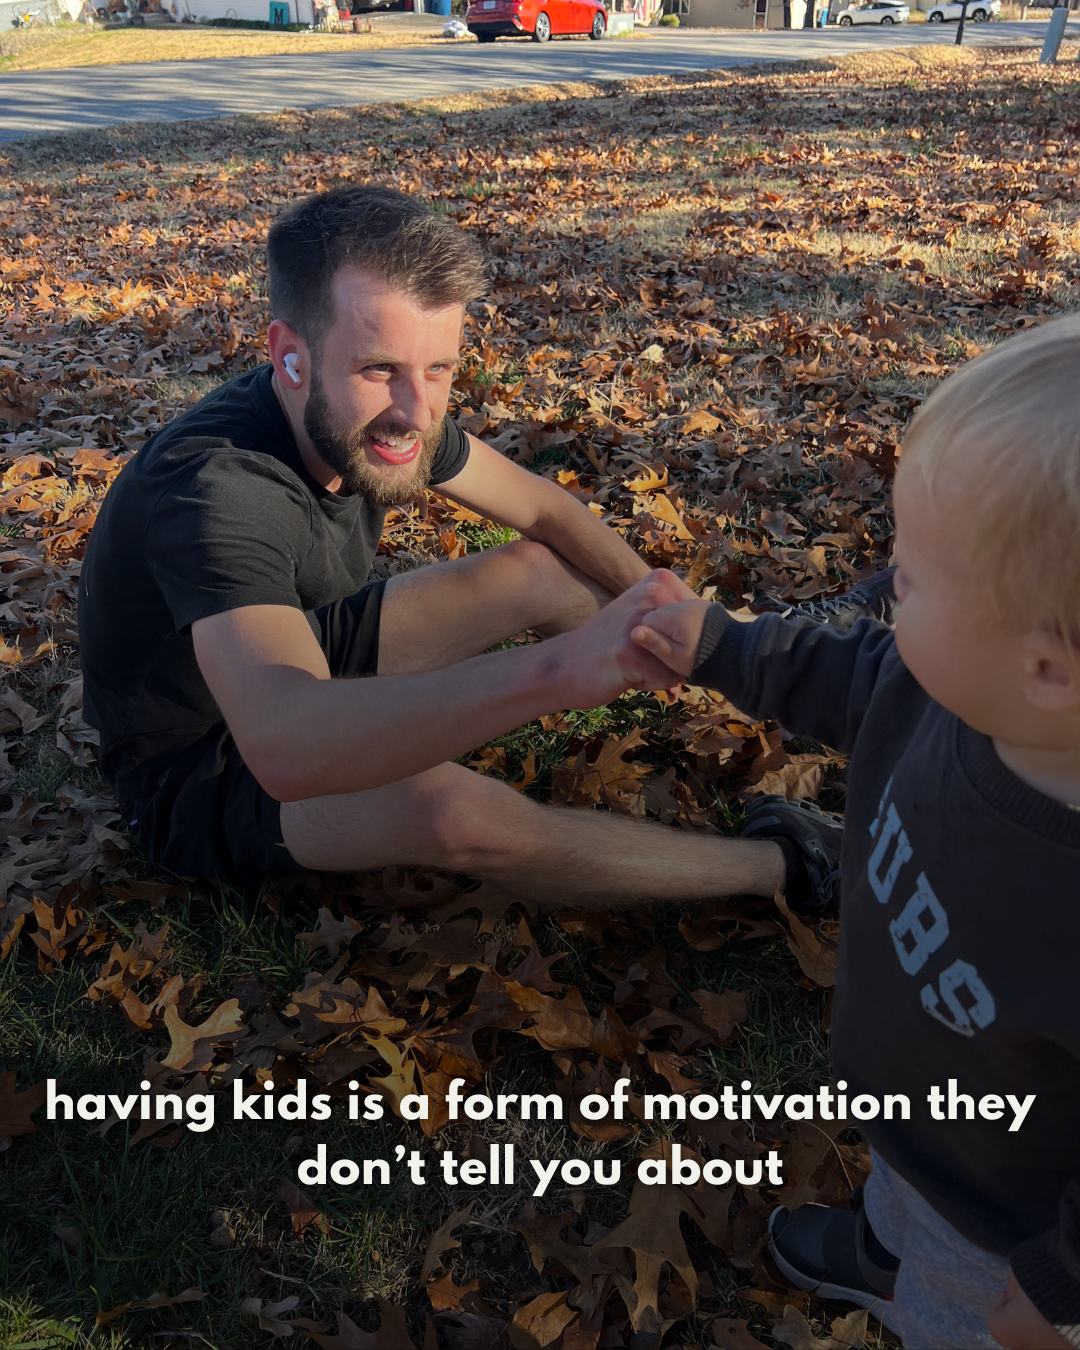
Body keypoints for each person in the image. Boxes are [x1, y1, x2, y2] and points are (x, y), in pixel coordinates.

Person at [79, 184, 882, 908]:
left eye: (439, 369)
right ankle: (795, 865)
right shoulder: (218, 491)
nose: (417, 411)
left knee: (543, 572)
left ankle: (772, 664)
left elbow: (549, 513)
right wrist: (557, 670)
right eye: (380, 369)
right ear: (289, 355)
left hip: (303, 651)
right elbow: (286, 746)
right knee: (460, 813)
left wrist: (704, 633)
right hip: (204, 766)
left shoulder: (376, 411)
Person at [627, 316, 1080, 1349]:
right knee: (897, 1188)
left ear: (1047, 668)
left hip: (996, 1221)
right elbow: (842, 671)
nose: (885, 587)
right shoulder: (937, 691)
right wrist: (720, 646)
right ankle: (881, 1249)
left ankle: (921, 1300)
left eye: (911, 579)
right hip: (915, 1112)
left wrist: (1058, 1285)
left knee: (949, 1312)